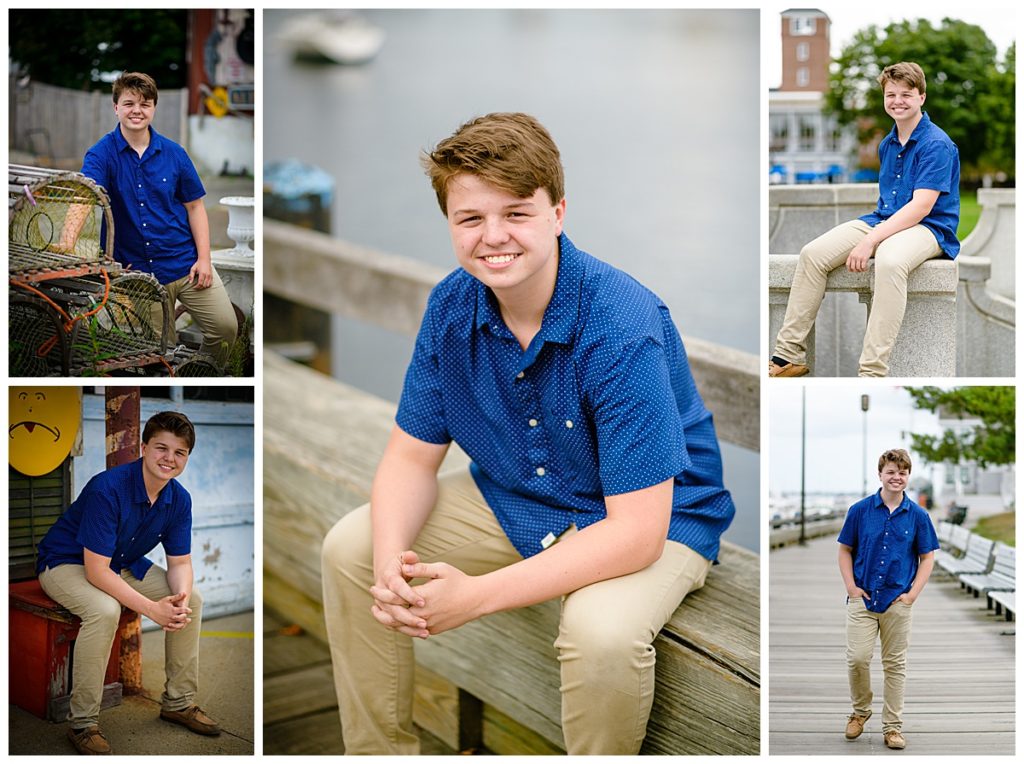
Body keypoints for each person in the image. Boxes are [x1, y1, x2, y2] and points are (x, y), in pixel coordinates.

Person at [320, 112, 736, 754]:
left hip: (654, 514)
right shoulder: (451, 307)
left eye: (516, 213)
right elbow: (408, 459)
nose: (494, 237)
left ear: (557, 212)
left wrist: (477, 597)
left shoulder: (619, 324)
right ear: (450, 224)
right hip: (519, 496)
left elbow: (636, 531)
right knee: (352, 547)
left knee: (599, 634)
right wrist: (390, 572)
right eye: (470, 219)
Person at [36, 411, 220, 755]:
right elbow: (96, 571)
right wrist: (153, 609)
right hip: (67, 562)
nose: (169, 459)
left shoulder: (179, 499)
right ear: (144, 447)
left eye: (179, 453)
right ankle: (83, 723)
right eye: (161, 448)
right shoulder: (109, 488)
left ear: (187, 458)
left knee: (191, 596)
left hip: (120, 562)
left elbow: (180, 561)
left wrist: (177, 600)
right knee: (105, 610)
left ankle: (178, 703)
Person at [770, 62, 960, 378]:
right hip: (883, 219)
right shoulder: (888, 144)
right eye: (891, 95)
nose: (897, 101)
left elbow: (921, 207)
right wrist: (872, 233)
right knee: (813, 255)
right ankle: (788, 357)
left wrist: (871, 241)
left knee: (889, 262)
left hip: (929, 228)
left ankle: (872, 372)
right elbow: (889, 206)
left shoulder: (936, 144)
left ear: (922, 97)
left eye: (906, 95)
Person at [58, 71, 237, 367]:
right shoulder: (101, 154)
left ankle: (200, 374)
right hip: (138, 274)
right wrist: (66, 243)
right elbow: (84, 198)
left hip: (185, 263)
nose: (137, 111)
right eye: (129, 104)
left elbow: (195, 207)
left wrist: (204, 259)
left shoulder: (175, 153)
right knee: (160, 351)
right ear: (116, 107)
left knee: (226, 329)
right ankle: (170, 377)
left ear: (153, 108)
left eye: (145, 104)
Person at [837, 448, 938, 750]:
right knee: (857, 658)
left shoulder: (918, 516)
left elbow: (927, 556)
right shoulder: (860, 510)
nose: (897, 478)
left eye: (902, 473)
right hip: (863, 599)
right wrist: (852, 588)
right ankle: (860, 711)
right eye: (891, 472)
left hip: (898, 601)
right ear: (880, 474)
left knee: (895, 665)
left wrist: (911, 596)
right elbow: (844, 550)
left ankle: (892, 727)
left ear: (908, 477)